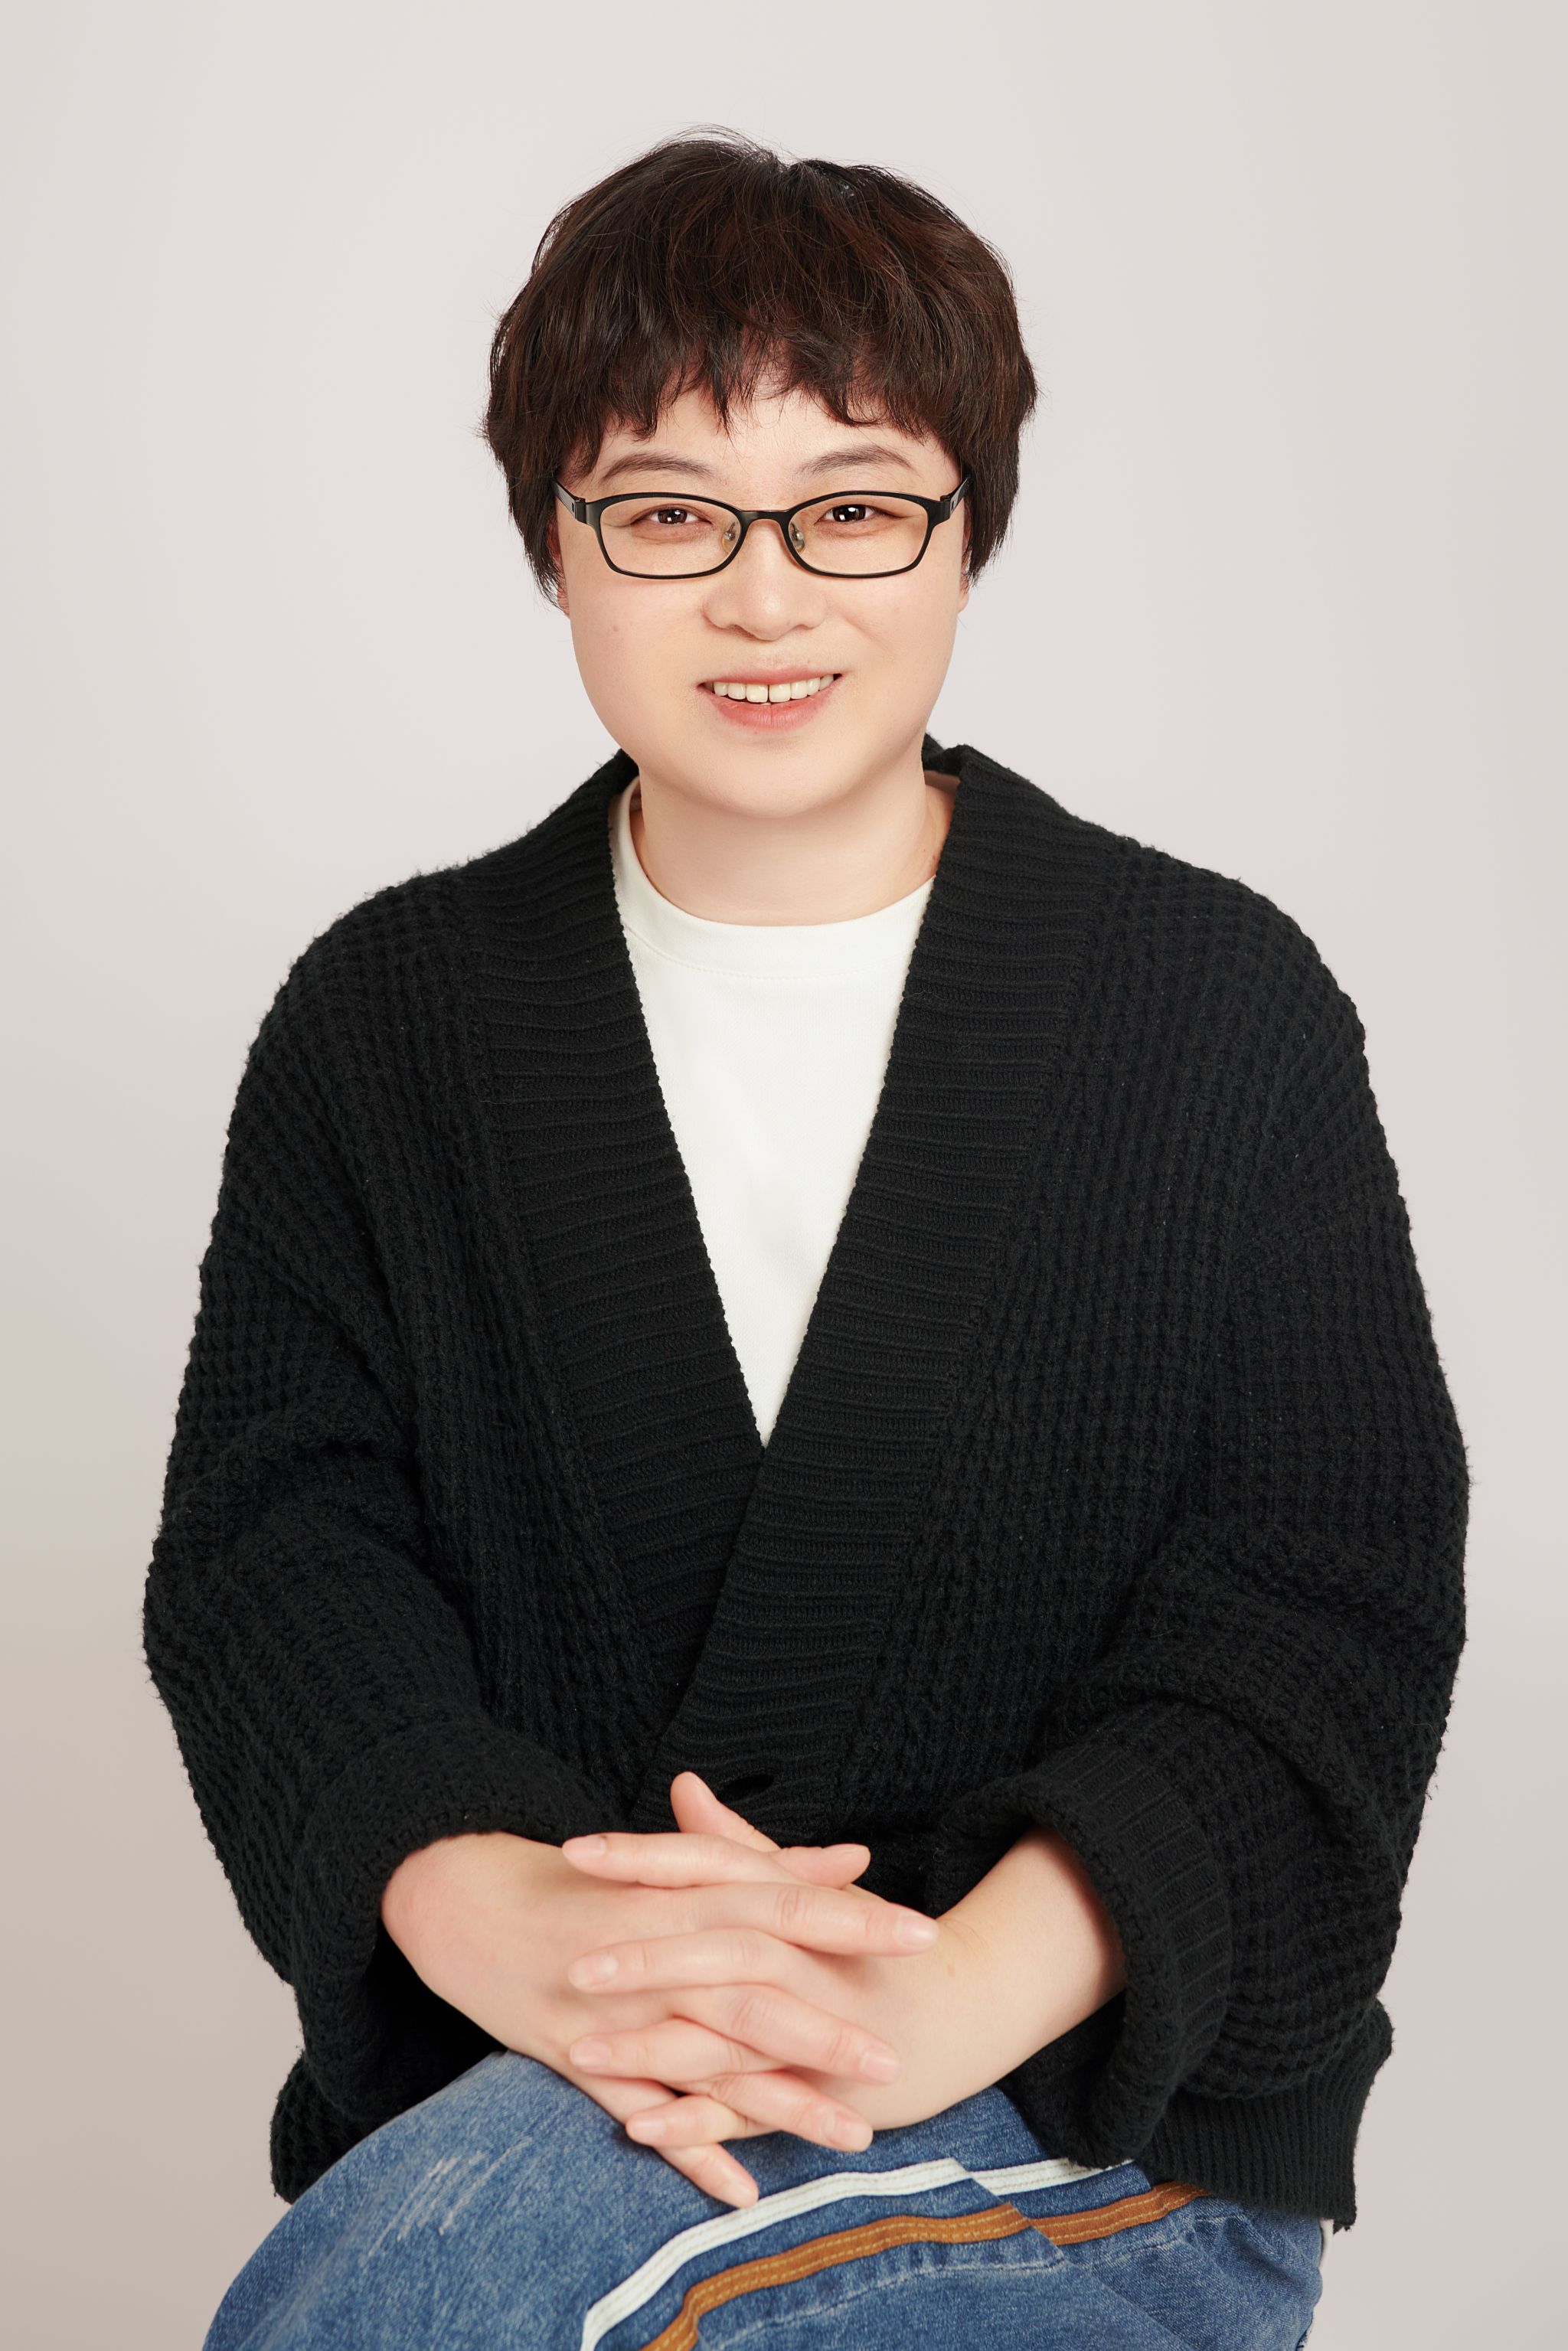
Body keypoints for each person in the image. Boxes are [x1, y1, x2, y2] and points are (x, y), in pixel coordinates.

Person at [145, 130, 1468, 2349]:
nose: (765, 602)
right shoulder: (386, 1027)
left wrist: (941, 1992)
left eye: (854, 509)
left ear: (967, 530)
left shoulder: (1215, 1009)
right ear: (555, 546)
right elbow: (276, 1561)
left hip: (1088, 2134)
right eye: (667, 514)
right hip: (547, 2097)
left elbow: (1322, 1613)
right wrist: (503, 1915)